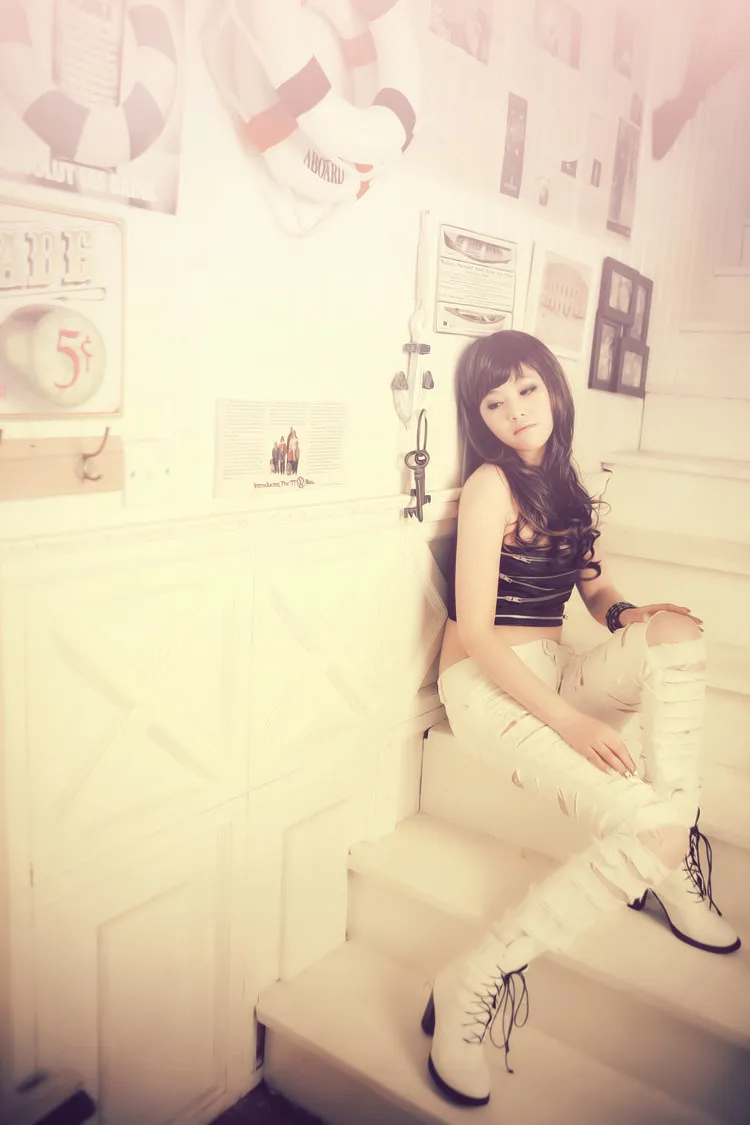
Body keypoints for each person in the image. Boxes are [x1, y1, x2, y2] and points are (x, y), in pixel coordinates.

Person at [423, 331, 740, 1109]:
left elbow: (593, 589)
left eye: (526, 389)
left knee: (677, 633)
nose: (514, 410)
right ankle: (473, 977)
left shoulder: (566, 480)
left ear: (554, 390)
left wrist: (633, 613)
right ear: (479, 418)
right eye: (494, 402)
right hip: (487, 684)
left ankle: (667, 859)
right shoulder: (492, 485)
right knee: (650, 828)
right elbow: (478, 631)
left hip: (553, 665)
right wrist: (568, 721)